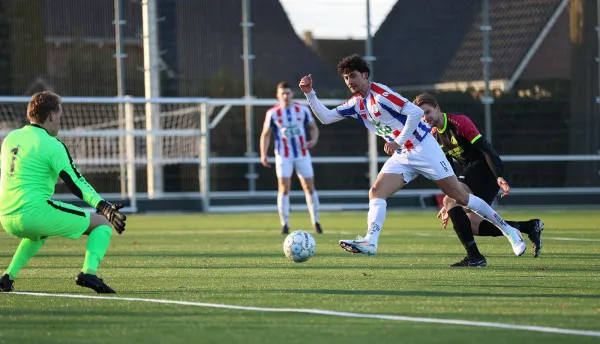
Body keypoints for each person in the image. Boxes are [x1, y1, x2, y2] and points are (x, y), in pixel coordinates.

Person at [299, 54, 526, 257]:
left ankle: (510, 231)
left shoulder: (382, 95)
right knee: (376, 191)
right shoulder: (356, 104)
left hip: (423, 147)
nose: (350, 82)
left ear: (365, 75)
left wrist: (398, 141)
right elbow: (326, 117)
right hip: (404, 154)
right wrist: (310, 94)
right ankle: (371, 241)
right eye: (346, 78)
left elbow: (416, 112)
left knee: (459, 197)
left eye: (353, 76)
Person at [0, 91, 127, 293]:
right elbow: (76, 182)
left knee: (39, 233)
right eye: (59, 115)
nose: (60, 121)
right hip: (33, 213)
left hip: (6, 217)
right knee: (102, 225)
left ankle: (7, 277)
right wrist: (103, 207)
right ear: (51, 115)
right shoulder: (52, 144)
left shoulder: (11, 139)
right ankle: (89, 273)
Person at [414, 93, 543, 265]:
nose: (425, 118)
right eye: (421, 115)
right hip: (471, 171)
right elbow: (449, 169)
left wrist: (498, 177)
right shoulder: (433, 136)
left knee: (450, 201)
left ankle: (474, 257)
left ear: (437, 109)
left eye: (427, 112)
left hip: (486, 167)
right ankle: (528, 227)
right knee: (473, 226)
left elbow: (486, 150)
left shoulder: (459, 122)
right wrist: (451, 194)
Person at [260, 81, 323, 235]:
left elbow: (313, 128)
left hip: (302, 154)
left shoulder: (302, 110)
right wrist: (263, 154)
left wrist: (314, 140)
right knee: (284, 188)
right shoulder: (273, 113)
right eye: (282, 93)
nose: (285, 96)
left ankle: (315, 222)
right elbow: (266, 134)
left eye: (288, 93)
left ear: (292, 94)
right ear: (278, 95)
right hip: (283, 155)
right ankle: (285, 224)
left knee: (309, 187)